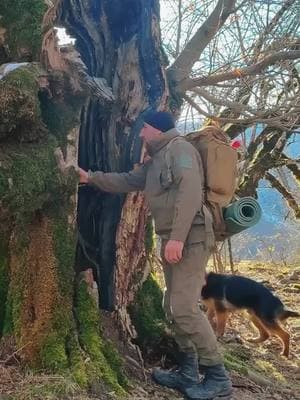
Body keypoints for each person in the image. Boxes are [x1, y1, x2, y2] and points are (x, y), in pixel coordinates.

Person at [78, 111, 232, 399]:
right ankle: (188, 371)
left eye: (143, 129)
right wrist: (90, 178)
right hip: (173, 239)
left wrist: (177, 238)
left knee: (184, 307)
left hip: (191, 238)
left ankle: (218, 377)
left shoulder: (181, 150)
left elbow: (190, 193)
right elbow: (127, 180)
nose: (140, 134)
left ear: (157, 129)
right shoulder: (157, 158)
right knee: (171, 307)